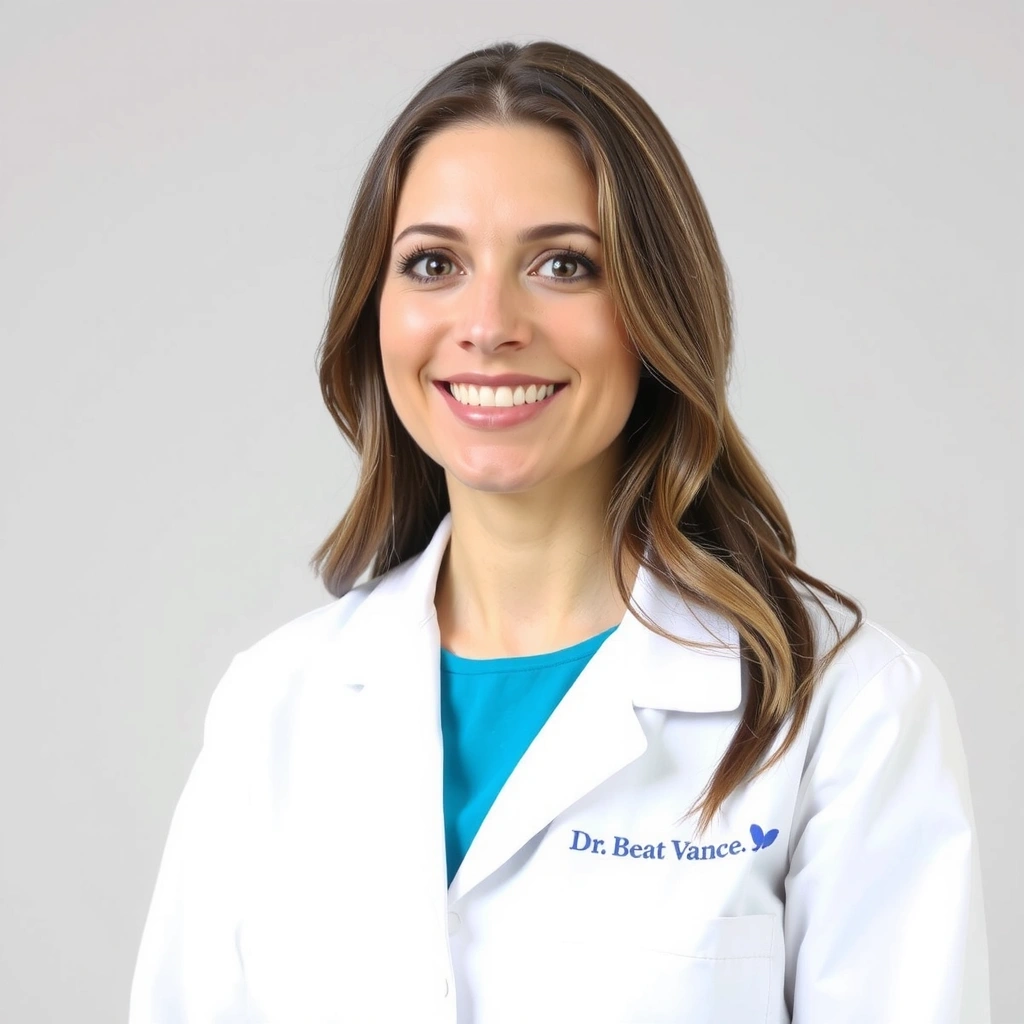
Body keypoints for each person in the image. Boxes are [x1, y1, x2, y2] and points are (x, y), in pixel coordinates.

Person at [128, 40, 989, 1023]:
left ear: (655, 311)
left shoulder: (842, 710)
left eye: (562, 264)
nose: (488, 322)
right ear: (378, 310)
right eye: (433, 263)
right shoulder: (272, 709)